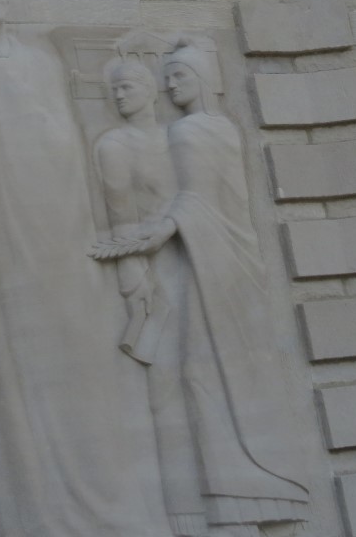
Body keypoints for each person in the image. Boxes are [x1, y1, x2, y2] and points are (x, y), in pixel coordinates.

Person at [0, 0, 168, 537]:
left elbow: (64, 146)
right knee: (20, 373)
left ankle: (110, 503)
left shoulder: (40, 61)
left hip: (60, 236)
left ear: (7, 0)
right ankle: (39, 512)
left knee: (84, 366)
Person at [92, 39, 310, 532]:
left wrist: (160, 232)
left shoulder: (194, 131)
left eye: (179, 77)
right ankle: (202, 504)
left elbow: (202, 200)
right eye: (167, 77)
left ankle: (248, 491)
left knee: (201, 374)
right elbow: (179, 202)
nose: (171, 85)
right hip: (189, 264)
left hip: (217, 263)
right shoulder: (172, 134)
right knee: (184, 380)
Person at [93, 57, 206, 535]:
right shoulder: (113, 144)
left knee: (202, 378)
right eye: (113, 89)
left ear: (149, 90)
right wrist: (132, 277)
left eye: (128, 87)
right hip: (150, 269)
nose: (118, 95)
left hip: (194, 259)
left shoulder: (179, 137)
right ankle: (181, 511)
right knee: (163, 387)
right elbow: (119, 215)